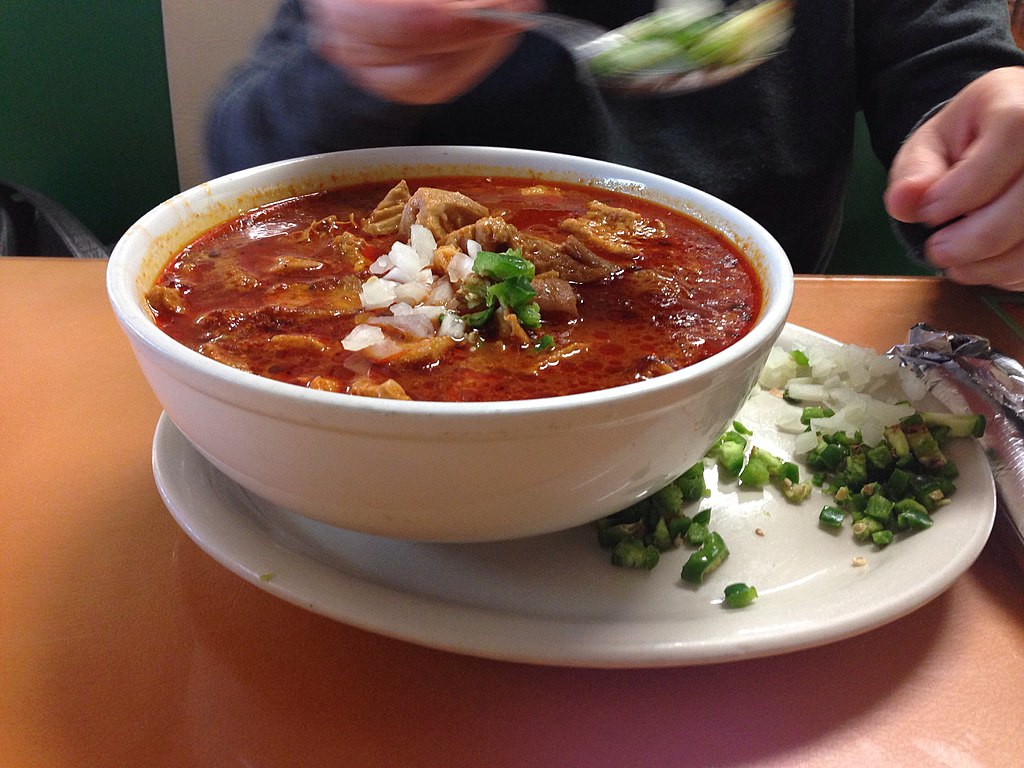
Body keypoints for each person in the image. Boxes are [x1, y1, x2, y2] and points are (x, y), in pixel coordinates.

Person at [206, 0, 1024, 289]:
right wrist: (352, 67)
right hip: (394, 381)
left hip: (754, 369)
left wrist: (991, 165)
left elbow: (951, 75)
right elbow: (240, 161)